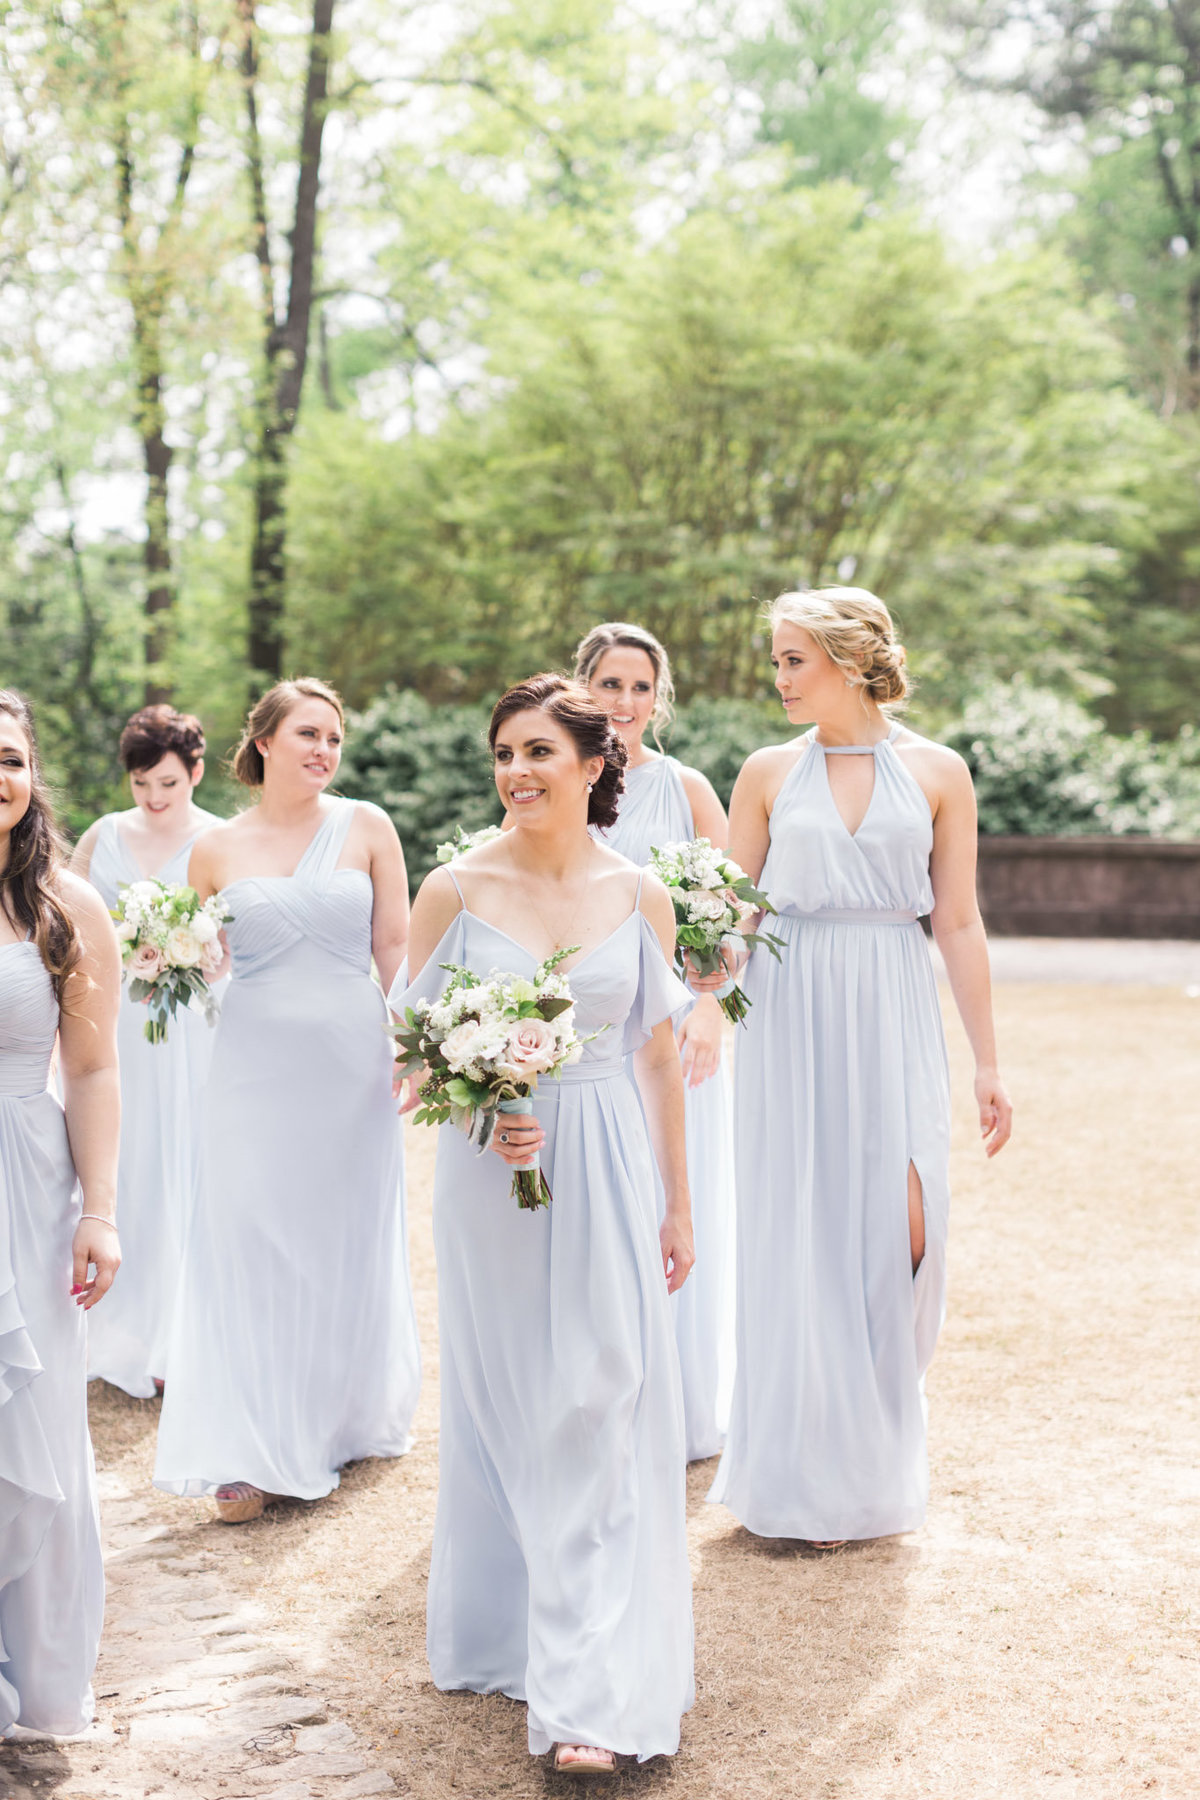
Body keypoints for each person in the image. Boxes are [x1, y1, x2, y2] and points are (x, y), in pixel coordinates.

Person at [393, 674, 695, 1776]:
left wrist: (680, 1201)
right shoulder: (454, 890)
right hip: (494, 1178)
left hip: (612, 1158)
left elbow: (659, 1054)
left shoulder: (640, 894)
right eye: (504, 754)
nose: (517, 772)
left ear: (595, 762)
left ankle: (588, 1696)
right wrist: (482, 1100)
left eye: (539, 753)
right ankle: (513, 1628)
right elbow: (407, 1055)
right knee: (517, 1396)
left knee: (599, 1394)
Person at [701, 589, 1012, 1545]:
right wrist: (707, 1001)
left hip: (891, 994)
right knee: (798, 1224)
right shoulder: (764, 772)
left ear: (847, 659)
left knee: (902, 1226)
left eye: (794, 659)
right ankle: (795, 1483)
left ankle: (876, 1464)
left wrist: (987, 1064)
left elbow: (955, 920)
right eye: (777, 659)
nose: (779, 677)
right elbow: (733, 913)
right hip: (790, 1007)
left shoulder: (938, 770)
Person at [153, 678, 420, 1523]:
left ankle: (334, 1418)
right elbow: (187, 958)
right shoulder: (213, 850)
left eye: (334, 738)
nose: (324, 751)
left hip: (350, 1064)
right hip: (252, 1068)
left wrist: (417, 1046)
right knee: (249, 1240)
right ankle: (247, 1444)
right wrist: (165, 961)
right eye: (308, 733)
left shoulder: (367, 825)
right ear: (264, 741)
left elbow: (396, 946)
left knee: (339, 1239)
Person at [575, 621, 734, 1461]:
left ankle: (677, 1403)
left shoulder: (687, 788)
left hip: (675, 1032)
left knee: (676, 1201)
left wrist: (711, 1008)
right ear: (584, 690)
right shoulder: (556, 778)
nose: (625, 703)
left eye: (640, 687)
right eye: (610, 685)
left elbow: (729, 912)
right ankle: (606, 1401)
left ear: (657, 696)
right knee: (600, 1209)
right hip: (588, 1035)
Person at [0, 690, 121, 1738]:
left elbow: (91, 1071)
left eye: (9, 758)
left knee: (33, 1424)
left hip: (28, 1183)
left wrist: (102, 1211)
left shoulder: (67, 905)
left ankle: (36, 1682)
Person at [70, 705, 220, 1397]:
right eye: (141, 785)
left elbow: (238, 941)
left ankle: (183, 1334)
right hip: (118, 1028)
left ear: (194, 770)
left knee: (188, 1165)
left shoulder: (222, 839)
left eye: (167, 783)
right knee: (127, 1169)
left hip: (195, 1028)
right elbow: (65, 926)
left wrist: (198, 955)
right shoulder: (102, 838)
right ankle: (118, 1327)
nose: (155, 800)